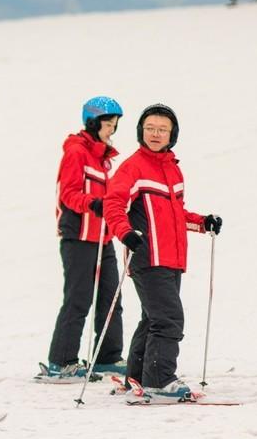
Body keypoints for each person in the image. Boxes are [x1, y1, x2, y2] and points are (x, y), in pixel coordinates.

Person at [102, 105, 223, 403]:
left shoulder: (172, 168)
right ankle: (160, 380)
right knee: (168, 319)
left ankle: (139, 376)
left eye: (162, 129)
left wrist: (201, 222)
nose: (155, 134)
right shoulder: (133, 167)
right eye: (150, 128)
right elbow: (113, 204)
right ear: (141, 131)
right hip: (147, 255)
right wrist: (125, 232)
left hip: (172, 258)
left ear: (172, 134)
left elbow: (175, 213)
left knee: (152, 319)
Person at [39, 96, 126, 382]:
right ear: (92, 122)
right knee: (79, 299)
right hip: (78, 237)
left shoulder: (102, 159)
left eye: (114, 124)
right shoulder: (76, 152)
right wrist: (95, 203)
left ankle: (107, 357)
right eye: (108, 123)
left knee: (111, 297)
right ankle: (60, 362)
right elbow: (68, 194)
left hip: (103, 237)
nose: (111, 129)